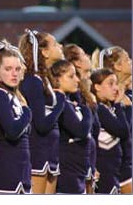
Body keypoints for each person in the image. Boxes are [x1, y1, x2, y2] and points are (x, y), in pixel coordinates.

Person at [18, 29, 65, 194]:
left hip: (50, 151)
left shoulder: (44, 79)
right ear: (44, 52)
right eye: (55, 44)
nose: (60, 46)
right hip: (37, 151)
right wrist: (60, 101)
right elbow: (41, 124)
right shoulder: (32, 80)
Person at [0, 40, 32, 194]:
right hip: (5, 170)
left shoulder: (15, 97)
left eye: (18, 69)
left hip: (22, 170)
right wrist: (27, 112)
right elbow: (12, 131)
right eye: (8, 69)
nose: (14, 73)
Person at [49, 60, 93, 194]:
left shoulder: (68, 101)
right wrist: (86, 111)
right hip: (67, 170)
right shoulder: (60, 100)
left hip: (77, 170)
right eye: (71, 76)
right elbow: (81, 131)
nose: (77, 80)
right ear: (57, 79)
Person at [63, 44, 100, 194]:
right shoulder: (72, 93)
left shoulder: (84, 89)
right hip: (73, 164)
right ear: (77, 62)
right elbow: (82, 129)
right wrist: (87, 107)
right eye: (84, 54)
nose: (88, 57)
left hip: (88, 161)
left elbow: (93, 129)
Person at [97, 46, 132, 193]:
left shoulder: (128, 93)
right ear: (117, 66)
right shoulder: (109, 99)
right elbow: (125, 131)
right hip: (119, 166)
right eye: (127, 60)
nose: (131, 62)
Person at [91, 68, 130, 194]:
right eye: (110, 84)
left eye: (116, 83)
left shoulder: (109, 108)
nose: (116, 88)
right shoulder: (99, 109)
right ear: (97, 86)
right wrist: (119, 105)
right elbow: (123, 131)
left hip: (116, 170)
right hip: (104, 173)